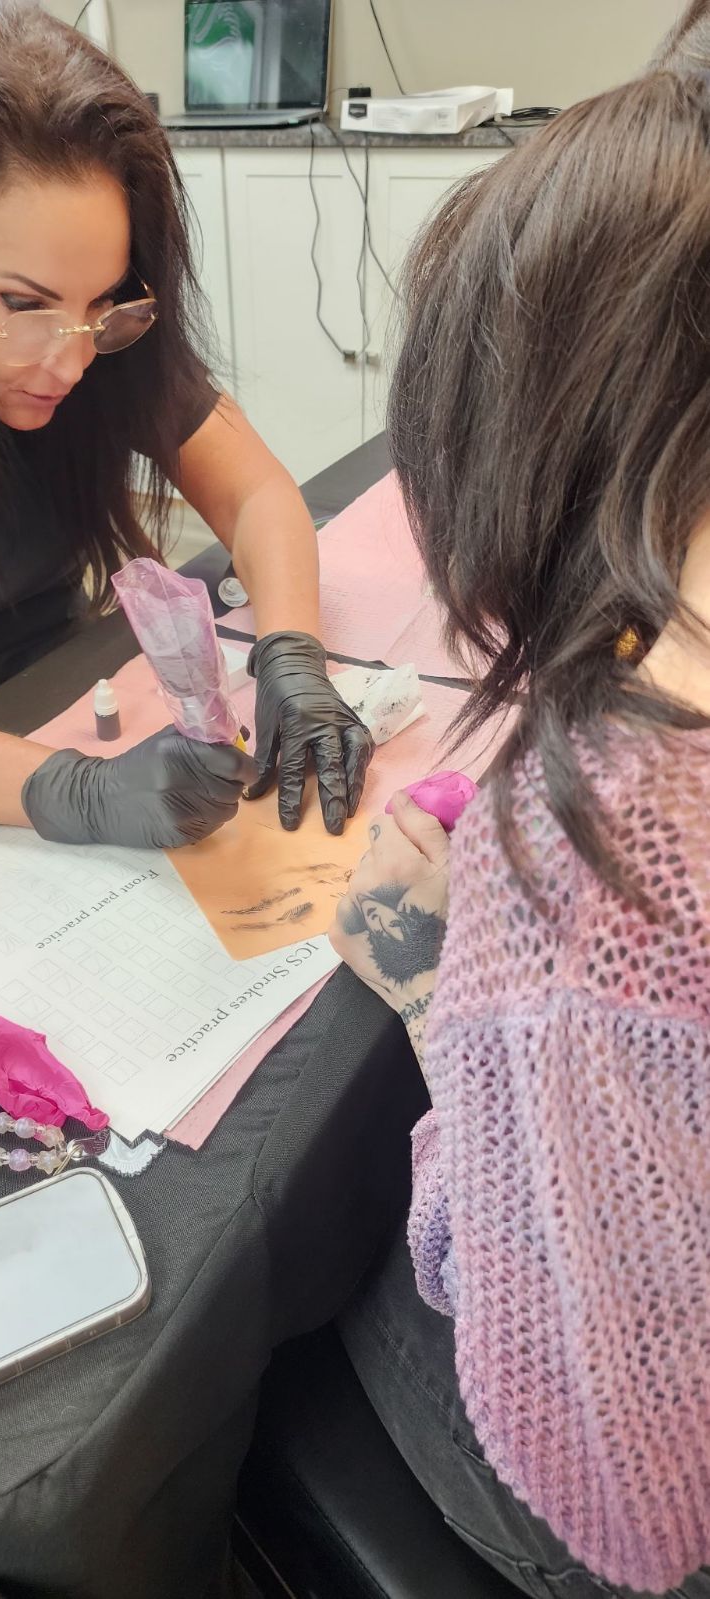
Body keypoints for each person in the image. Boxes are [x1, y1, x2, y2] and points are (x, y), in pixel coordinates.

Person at [329, 67, 710, 1599]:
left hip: (652, 1509)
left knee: (310, 1262)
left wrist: (445, 1001)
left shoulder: (601, 854)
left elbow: (642, 1487)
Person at [0, 0, 372, 875]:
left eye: (101, 304)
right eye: (21, 305)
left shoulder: (105, 333)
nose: (70, 364)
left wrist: (293, 656)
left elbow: (257, 492)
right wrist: (75, 792)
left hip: (59, 682)